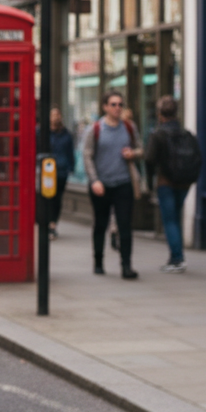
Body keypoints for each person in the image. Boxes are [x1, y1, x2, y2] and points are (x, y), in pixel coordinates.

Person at [82, 90, 143, 279]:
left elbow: (141, 148)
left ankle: (126, 266)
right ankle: (98, 262)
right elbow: (87, 156)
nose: (118, 108)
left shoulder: (129, 127)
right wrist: (95, 180)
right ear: (105, 107)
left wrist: (133, 154)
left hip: (124, 183)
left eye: (120, 104)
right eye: (114, 104)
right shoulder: (96, 129)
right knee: (101, 225)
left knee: (125, 225)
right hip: (102, 185)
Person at [144, 96, 202, 273]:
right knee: (175, 218)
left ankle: (177, 258)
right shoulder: (187, 134)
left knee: (170, 221)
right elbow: (199, 158)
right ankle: (174, 256)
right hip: (184, 183)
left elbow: (149, 159)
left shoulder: (158, 135)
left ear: (160, 115)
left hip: (166, 182)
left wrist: (149, 182)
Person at [48, 106, 75, 240]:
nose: (55, 118)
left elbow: (70, 152)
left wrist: (71, 167)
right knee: (48, 199)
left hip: (61, 171)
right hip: (46, 172)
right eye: (53, 115)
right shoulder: (42, 133)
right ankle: (46, 224)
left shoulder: (66, 134)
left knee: (57, 199)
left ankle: (53, 224)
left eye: (57, 115)